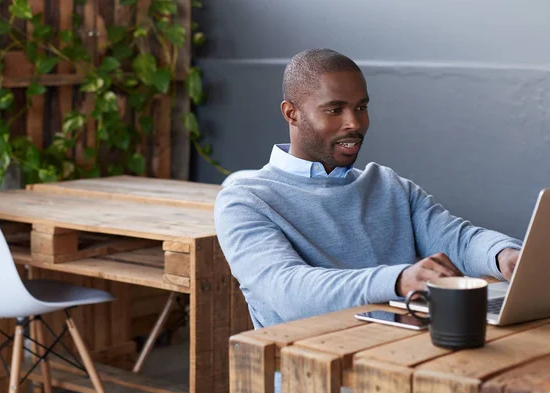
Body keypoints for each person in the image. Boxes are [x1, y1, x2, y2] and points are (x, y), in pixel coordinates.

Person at [214, 48, 522, 330]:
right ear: (291, 113)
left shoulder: (388, 185)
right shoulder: (245, 200)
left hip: (405, 357)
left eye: (361, 107)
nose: (354, 123)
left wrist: (504, 255)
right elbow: (288, 290)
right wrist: (400, 280)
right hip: (316, 376)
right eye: (335, 110)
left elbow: (460, 240)